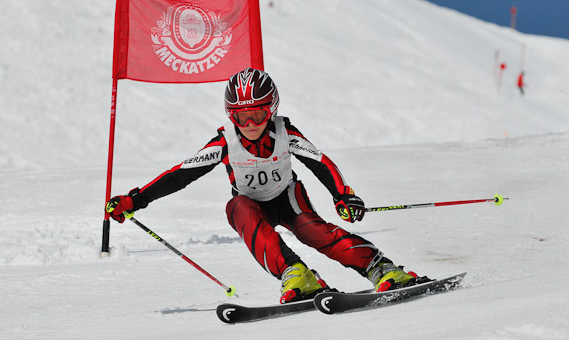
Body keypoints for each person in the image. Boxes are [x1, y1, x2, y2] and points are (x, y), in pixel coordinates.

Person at [106, 68, 428, 303]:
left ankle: (380, 267)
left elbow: (319, 161)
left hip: (288, 197)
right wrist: (135, 200)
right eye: (241, 118)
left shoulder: (284, 132)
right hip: (252, 205)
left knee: (311, 230)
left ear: (271, 109)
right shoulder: (224, 141)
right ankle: (296, 274)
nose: (250, 126)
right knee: (237, 208)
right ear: (231, 116)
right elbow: (180, 174)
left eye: (258, 115)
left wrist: (342, 196)